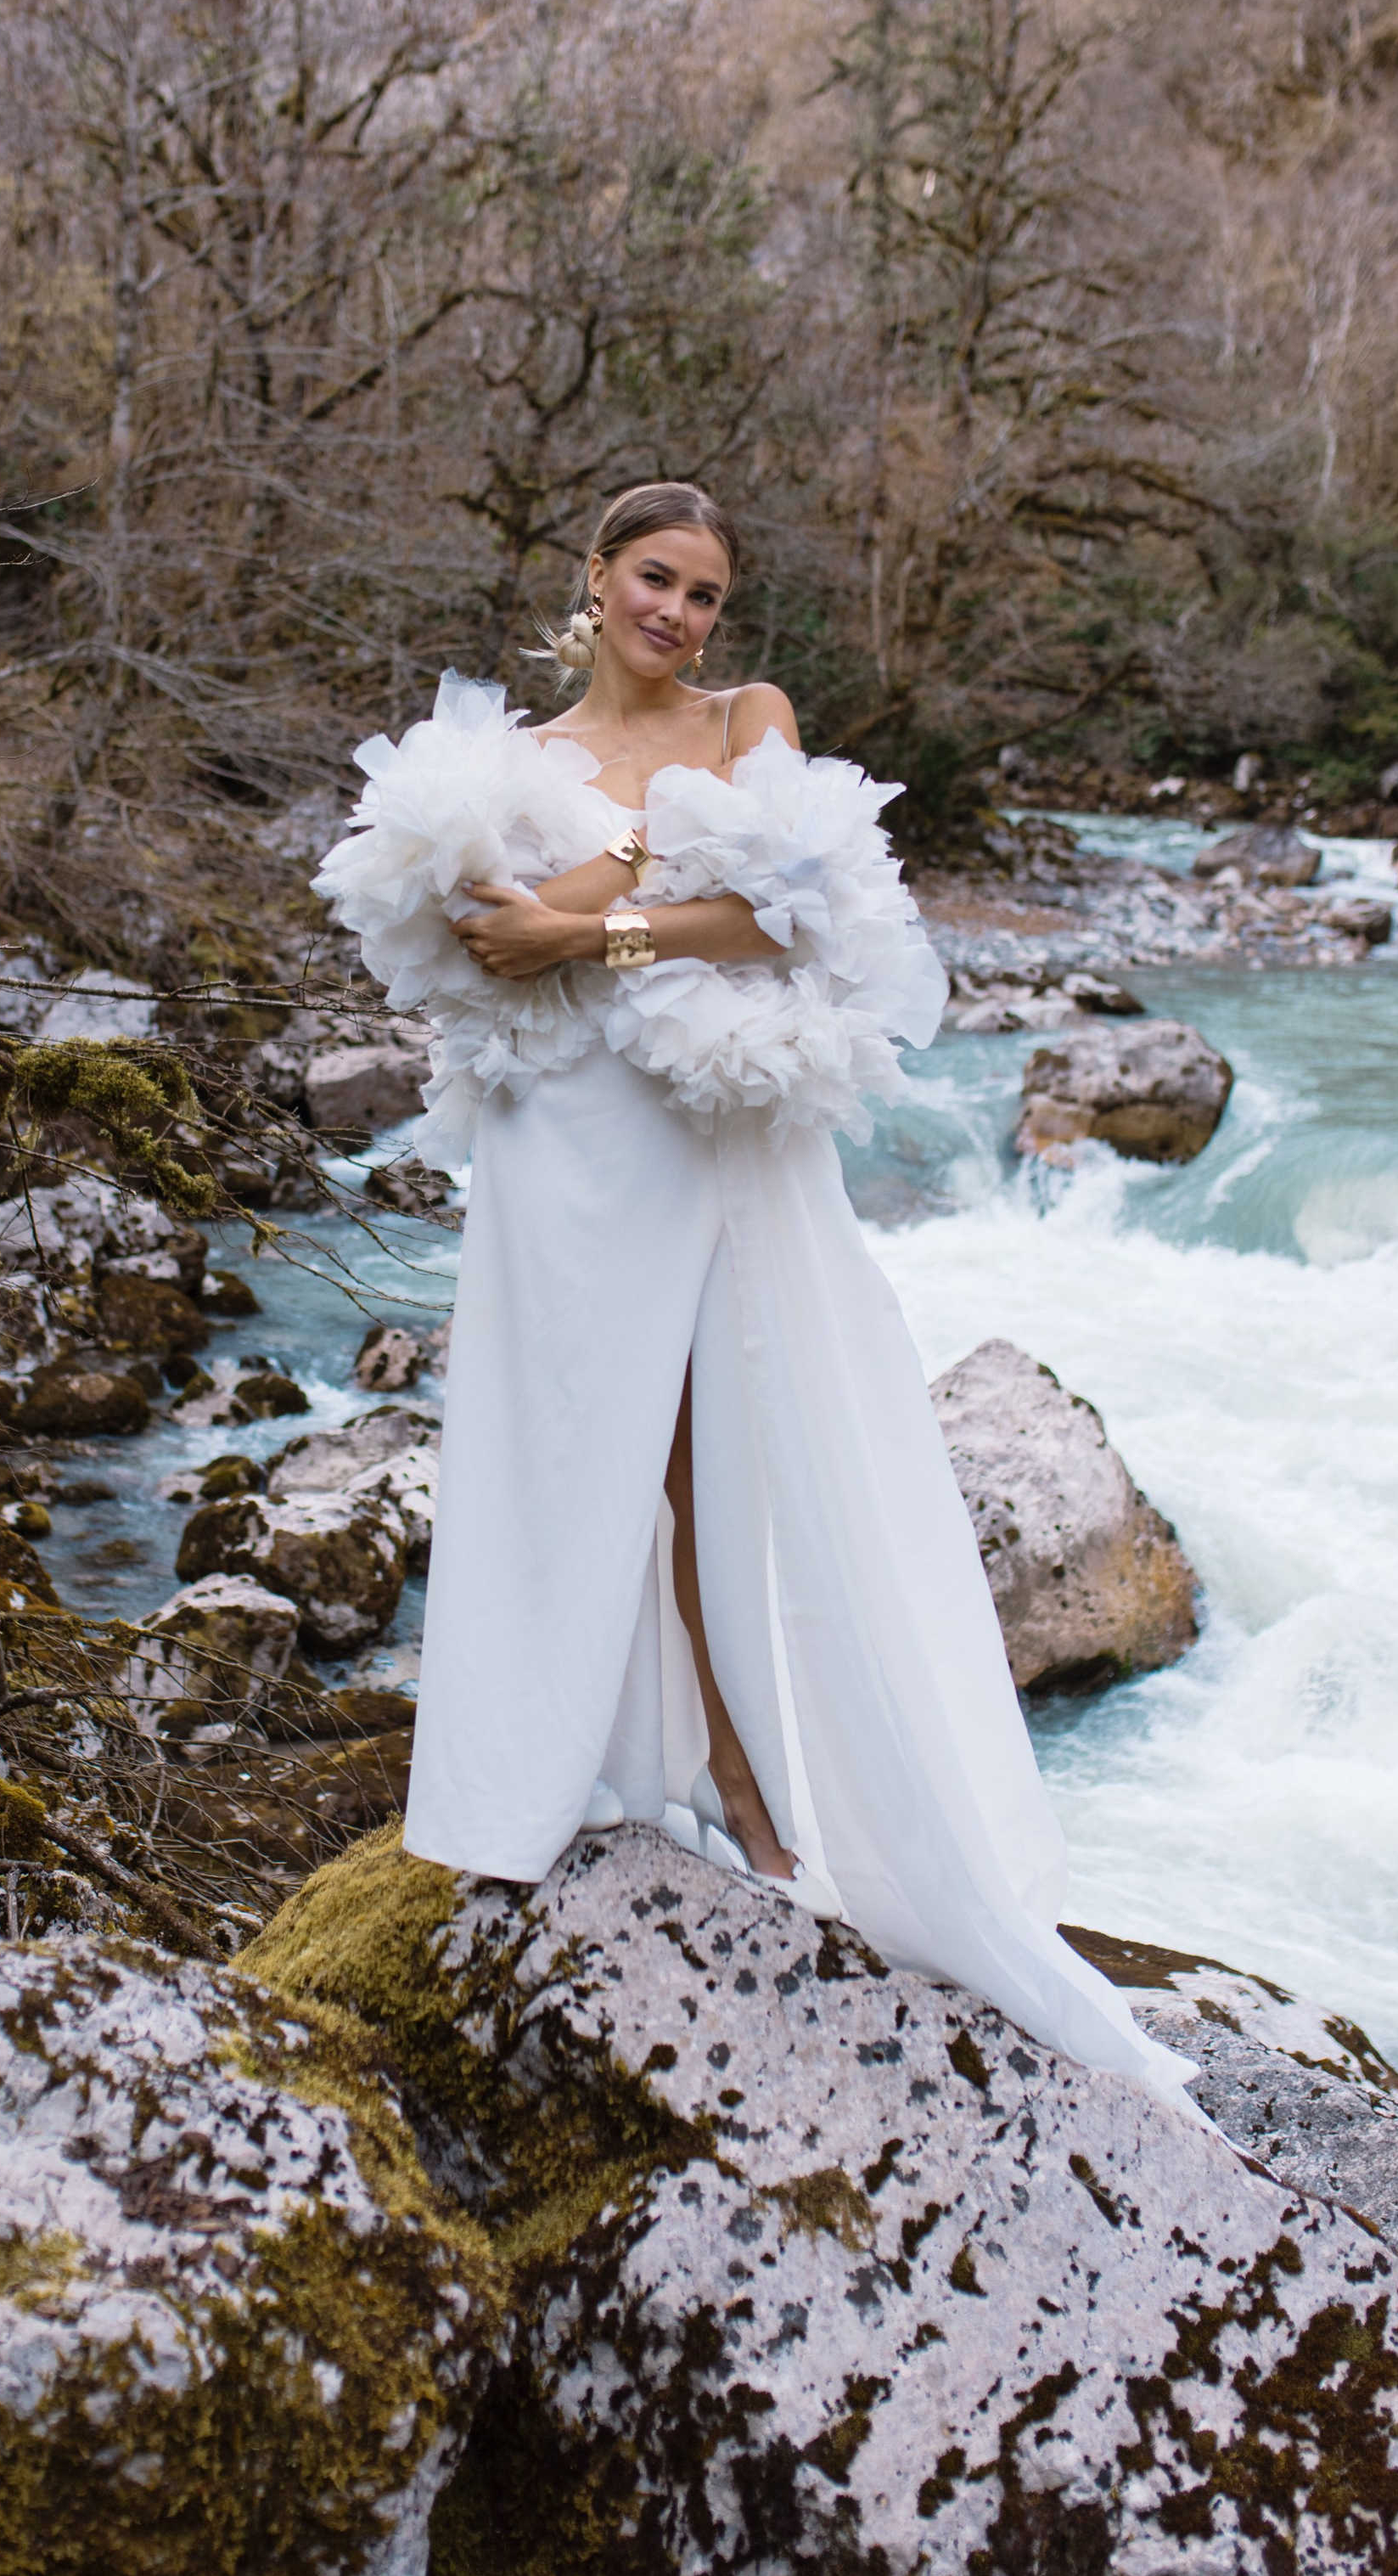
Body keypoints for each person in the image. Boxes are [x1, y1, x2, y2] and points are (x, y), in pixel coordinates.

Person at [316, 481, 1194, 2107]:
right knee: (583, 1446)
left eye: (706, 592)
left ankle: (759, 1783)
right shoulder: (506, 759)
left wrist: (595, 926)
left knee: (738, 1439)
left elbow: (786, 913)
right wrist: (594, 908)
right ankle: (552, 1779)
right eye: (656, 577)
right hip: (564, 1140)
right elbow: (480, 938)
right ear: (597, 577)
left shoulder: (751, 721)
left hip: (702, 1127)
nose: (679, 613)